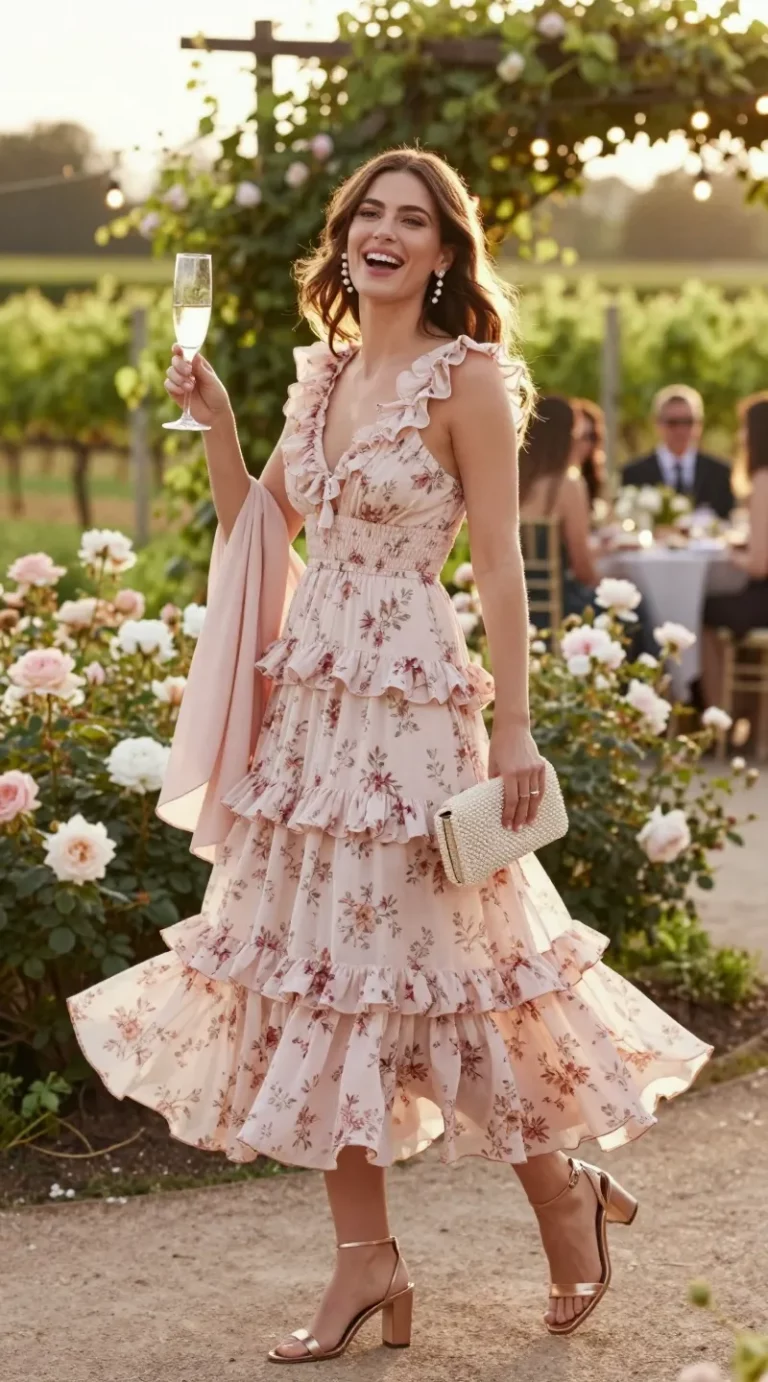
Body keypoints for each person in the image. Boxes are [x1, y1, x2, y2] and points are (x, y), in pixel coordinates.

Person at [67, 148, 709, 1361]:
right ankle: (367, 1263)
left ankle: (561, 1189)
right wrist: (222, 425)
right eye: (371, 211)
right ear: (347, 237)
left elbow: (503, 567)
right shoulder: (324, 374)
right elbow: (260, 529)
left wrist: (513, 724)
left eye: (414, 219)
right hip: (314, 718)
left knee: (445, 976)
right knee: (320, 974)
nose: (387, 231)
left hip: (412, 709)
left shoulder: (469, 380)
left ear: (445, 253)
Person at [702, 395, 768, 704]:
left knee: (702, 613)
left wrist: (727, 552)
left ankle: (716, 714)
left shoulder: (763, 479)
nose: (740, 437)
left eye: (744, 429)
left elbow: (758, 565)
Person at [518, 395, 600, 621]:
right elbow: (583, 569)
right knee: (636, 610)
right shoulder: (568, 485)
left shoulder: (511, 484)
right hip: (561, 608)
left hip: (514, 606)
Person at [623, 384, 734, 519]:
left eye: (688, 422)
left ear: (699, 424)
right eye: (673, 422)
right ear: (657, 423)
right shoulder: (634, 474)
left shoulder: (720, 473)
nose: (681, 430)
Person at [570, 398, 606, 507]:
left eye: (591, 437)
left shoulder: (596, 477)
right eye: (579, 435)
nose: (585, 444)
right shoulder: (555, 480)